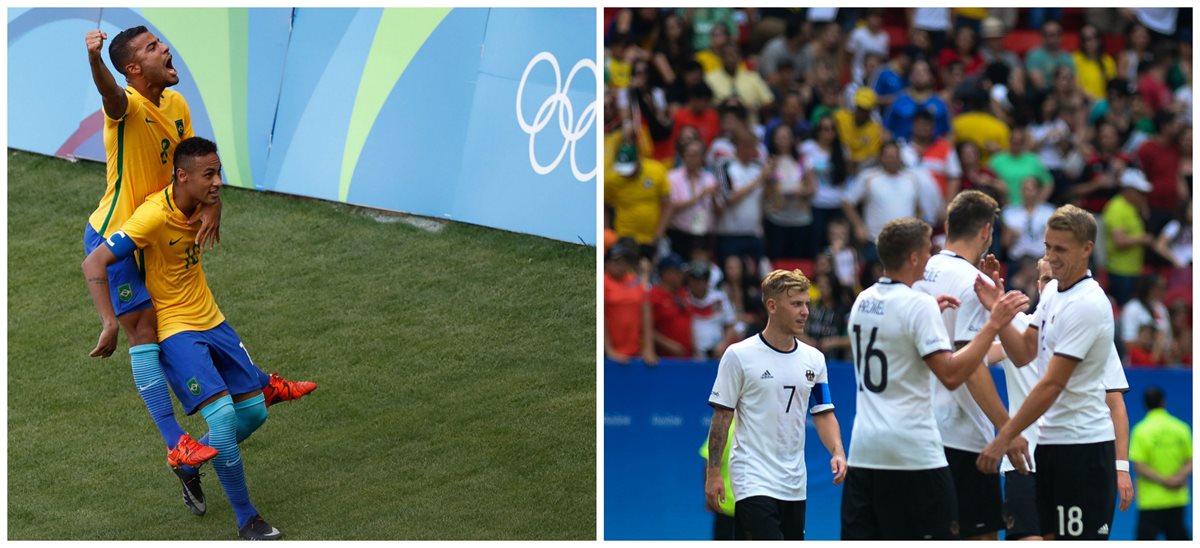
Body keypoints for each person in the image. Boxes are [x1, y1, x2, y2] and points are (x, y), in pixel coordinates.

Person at [82, 26, 314, 503]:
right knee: (144, 331)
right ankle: (177, 446)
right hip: (118, 233)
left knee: (191, 304)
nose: (165, 48)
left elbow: (191, 169)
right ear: (131, 70)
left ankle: (250, 388)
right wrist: (94, 60)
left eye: (159, 42)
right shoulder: (126, 106)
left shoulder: (178, 107)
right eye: (151, 48)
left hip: (161, 228)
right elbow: (109, 95)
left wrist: (212, 204)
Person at [82, 138, 289, 539]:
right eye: (209, 175)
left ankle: (190, 465)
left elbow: (206, 193)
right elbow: (95, 260)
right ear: (182, 176)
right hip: (176, 328)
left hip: (211, 319)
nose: (218, 183)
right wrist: (109, 321)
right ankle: (247, 519)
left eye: (218, 173)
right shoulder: (151, 217)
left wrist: (213, 203)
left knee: (254, 413)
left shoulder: (197, 199)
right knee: (225, 417)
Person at [841, 217, 1029, 540]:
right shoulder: (917, 306)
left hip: (864, 451)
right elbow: (953, 374)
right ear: (913, 257)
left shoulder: (863, 300)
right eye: (927, 251)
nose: (931, 258)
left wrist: (931, 318)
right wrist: (993, 323)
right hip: (912, 453)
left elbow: (898, 347)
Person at [978, 205, 1120, 540]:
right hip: (1053, 446)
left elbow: (1052, 383)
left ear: (1087, 248)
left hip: (1083, 449)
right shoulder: (1054, 291)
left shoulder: (1087, 303)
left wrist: (1003, 438)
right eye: (1047, 247)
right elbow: (1024, 352)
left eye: (1061, 249)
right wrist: (998, 309)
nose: (1052, 257)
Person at [705, 269, 847, 540]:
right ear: (772, 306)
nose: (805, 311)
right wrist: (713, 474)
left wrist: (837, 451)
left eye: (807, 303)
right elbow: (722, 417)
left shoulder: (814, 360)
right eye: (796, 304)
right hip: (752, 480)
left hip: (795, 484)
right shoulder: (739, 355)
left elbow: (823, 412)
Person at [912, 191, 1013, 540]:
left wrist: (1015, 348)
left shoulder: (913, 271)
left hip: (916, 430)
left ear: (946, 226)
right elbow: (970, 364)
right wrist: (1007, 430)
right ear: (986, 232)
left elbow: (965, 352)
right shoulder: (975, 282)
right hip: (961, 433)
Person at [1130, 386, 1193, 539]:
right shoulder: (1181, 428)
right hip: (1177, 497)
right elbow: (1191, 460)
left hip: (1150, 501)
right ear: (1163, 402)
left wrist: (1164, 480)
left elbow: (1139, 466)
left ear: (1145, 405)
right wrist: (1177, 479)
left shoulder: (1140, 430)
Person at [1102, 169, 1154, 306]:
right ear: (1128, 190)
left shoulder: (1132, 207)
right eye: (1139, 192)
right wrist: (1143, 239)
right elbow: (1119, 241)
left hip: (1133, 270)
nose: (1143, 196)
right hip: (1120, 272)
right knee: (1124, 308)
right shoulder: (1116, 208)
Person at [649, 254, 693, 358]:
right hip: (664, 359)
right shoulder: (654, 295)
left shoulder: (684, 293)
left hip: (688, 358)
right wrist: (668, 345)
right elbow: (646, 329)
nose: (681, 275)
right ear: (665, 274)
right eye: (677, 272)